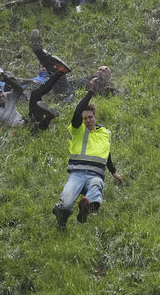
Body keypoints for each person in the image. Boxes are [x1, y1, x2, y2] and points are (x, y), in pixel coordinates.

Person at [52, 79, 123, 229]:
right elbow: (77, 112)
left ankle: (86, 207)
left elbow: (106, 152)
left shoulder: (105, 133)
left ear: (95, 117)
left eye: (90, 117)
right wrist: (90, 92)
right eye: (84, 118)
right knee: (65, 205)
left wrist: (113, 171)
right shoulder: (78, 130)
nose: (87, 120)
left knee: (97, 186)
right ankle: (61, 216)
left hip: (95, 176)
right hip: (77, 174)